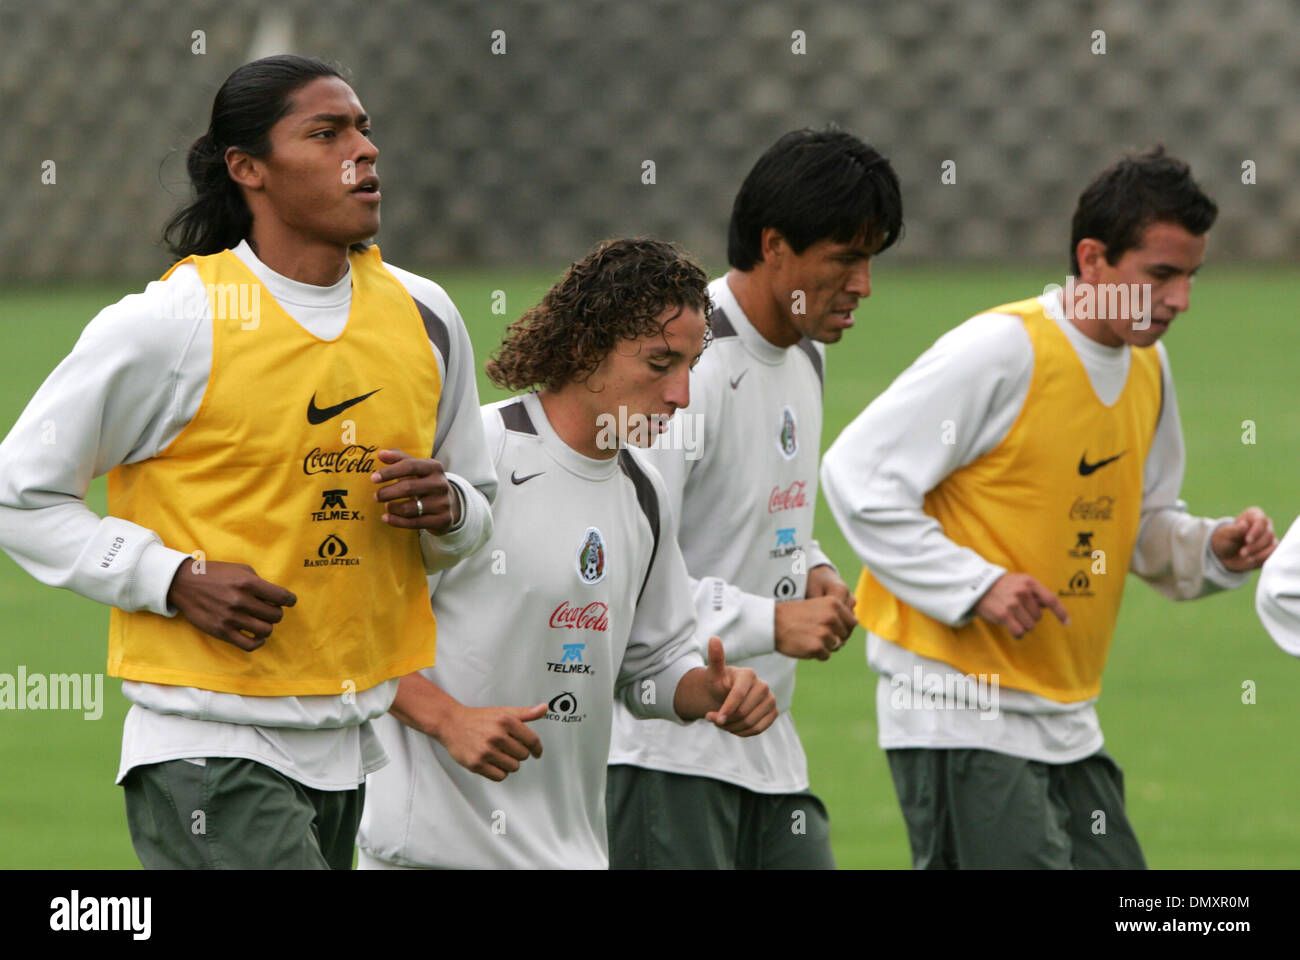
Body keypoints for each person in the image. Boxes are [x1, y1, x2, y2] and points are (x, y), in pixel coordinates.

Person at [0, 55, 497, 869]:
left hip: (349, 743)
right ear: (248, 169)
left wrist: (448, 510)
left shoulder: (426, 314)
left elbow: (475, 510)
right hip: (207, 745)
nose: (364, 151)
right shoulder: (174, 321)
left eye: (365, 130)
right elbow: (19, 494)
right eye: (327, 132)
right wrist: (170, 577)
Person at [821, 146, 1277, 869]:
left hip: (1066, 716)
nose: (1181, 299)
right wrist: (977, 586)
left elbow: (1143, 525)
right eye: (1160, 274)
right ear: (1093, 259)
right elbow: (856, 474)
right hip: (957, 711)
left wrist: (1211, 548)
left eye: (1191, 276)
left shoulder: (1148, 367)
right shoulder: (1002, 349)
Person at [356, 238, 778, 870]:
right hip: (428, 855)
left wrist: (709, 691)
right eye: (661, 363)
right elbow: (357, 636)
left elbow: (654, 663)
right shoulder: (476, 455)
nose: (682, 394)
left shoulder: (645, 493)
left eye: (692, 365)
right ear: (585, 349)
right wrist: (450, 720)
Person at [605, 128, 904, 869]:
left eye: (871, 258)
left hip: (767, 753)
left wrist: (811, 566)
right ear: (775, 245)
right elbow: (625, 564)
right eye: (845, 258)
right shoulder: (684, 363)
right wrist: (774, 620)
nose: (863, 284)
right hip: (662, 758)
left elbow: (764, 510)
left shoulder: (807, 352)